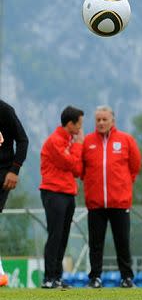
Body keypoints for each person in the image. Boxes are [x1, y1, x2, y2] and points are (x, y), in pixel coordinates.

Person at [81, 106, 142, 288]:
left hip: (120, 201)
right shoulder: (87, 142)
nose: (101, 123)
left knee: (122, 242)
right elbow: (82, 170)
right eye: (98, 120)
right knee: (95, 244)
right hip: (95, 203)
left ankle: (126, 277)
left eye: (104, 119)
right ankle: (95, 278)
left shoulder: (126, 140)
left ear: (112, 121)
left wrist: (123, 185)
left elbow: (135, 165)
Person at [39, 105, 84, 289]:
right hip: (53, 192)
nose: (81, 129)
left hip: (68, 192)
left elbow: (77, 169)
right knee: (55, 235)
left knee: (63, 236)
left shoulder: (68, 142)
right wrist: (79, 146)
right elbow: (72, 165)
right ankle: (49, 277)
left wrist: (75, 149)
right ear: (70, 123)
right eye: (79, 124)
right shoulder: (55, 141)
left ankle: (57, 276)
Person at [0, 100, 29, 287]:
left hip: (2, 173)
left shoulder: (5, 111)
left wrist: (14, 170)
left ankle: (0, 273)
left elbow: (23, 140)